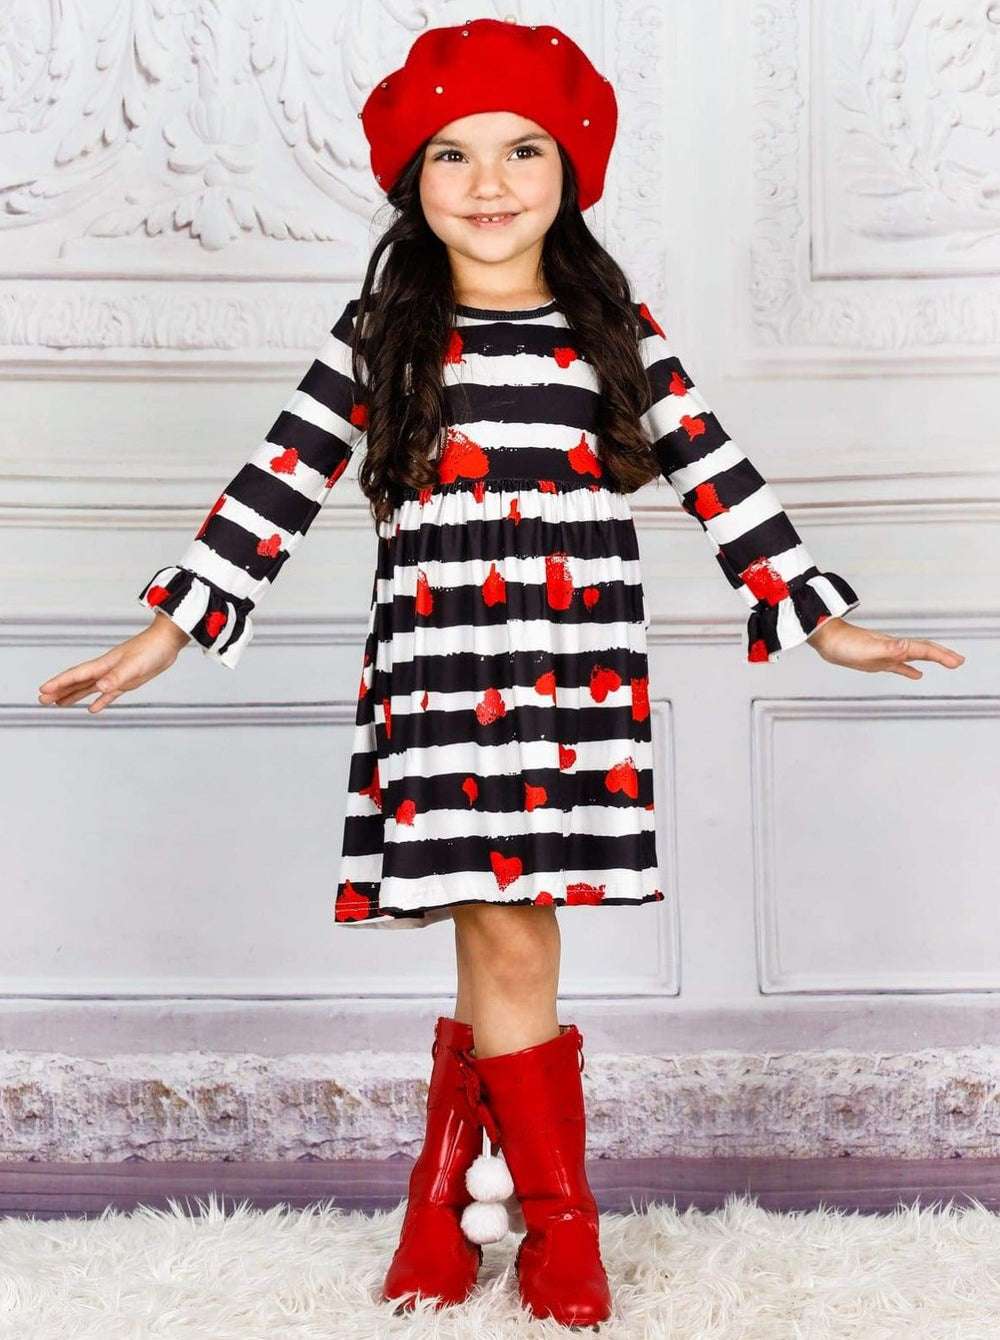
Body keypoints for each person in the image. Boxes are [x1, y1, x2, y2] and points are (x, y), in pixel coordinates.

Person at [36, 16, 965, 1330]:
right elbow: (275, 481)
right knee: (503, 926)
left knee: (504, 933)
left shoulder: (610, 329)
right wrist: (168, 631)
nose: (488, 183)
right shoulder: (382, 333)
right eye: (453, 154)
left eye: (522, 150)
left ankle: (455, 1205)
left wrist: (820, 620)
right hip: (438, 666)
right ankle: (550, 1220)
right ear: (410, 181)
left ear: (570, 170)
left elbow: (716, 470)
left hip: (574, 669)